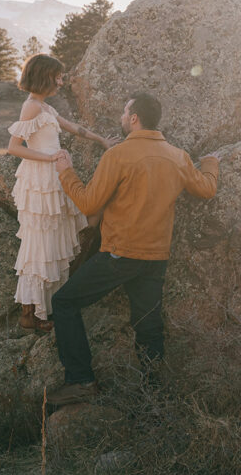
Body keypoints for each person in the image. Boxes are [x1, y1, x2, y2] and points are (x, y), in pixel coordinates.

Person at [47, 91, 219, 405]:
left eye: (125, 113)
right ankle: (153, 398)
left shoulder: (119, 155)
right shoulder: (178, 156)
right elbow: (206, 188)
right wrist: (210, 163)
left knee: (64, 303)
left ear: (135, 118)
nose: (122, 118)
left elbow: (88, 203)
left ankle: (81, 381)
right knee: (148, 327)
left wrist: (66, 173)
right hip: (155, 258)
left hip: (119, 255)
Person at [7, 54, 119, 333]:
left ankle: (46, 308)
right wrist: (49, 158)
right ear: (44, 76)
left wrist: (102, 140)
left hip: (54, 175)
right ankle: (32, 312)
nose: (61, 81)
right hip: (40, 179)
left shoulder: (46, 107)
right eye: (57, 76)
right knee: (40, 242)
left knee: (54, 239)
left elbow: (74, 128)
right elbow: (14, 148)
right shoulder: (31, 107)